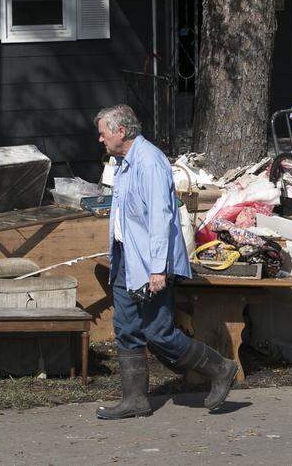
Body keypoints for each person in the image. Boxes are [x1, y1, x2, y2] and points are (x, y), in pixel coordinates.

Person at [93, 105, 237, 419]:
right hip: (126, 258)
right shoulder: (124, 163)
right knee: (126, 329)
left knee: (159, 332)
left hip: (149, 263)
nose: (100, 139)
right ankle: (135, 400)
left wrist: (158, 268)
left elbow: (161, 218)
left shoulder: (149, 161)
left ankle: (221, 368)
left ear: (121, 131)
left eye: (103, 133)